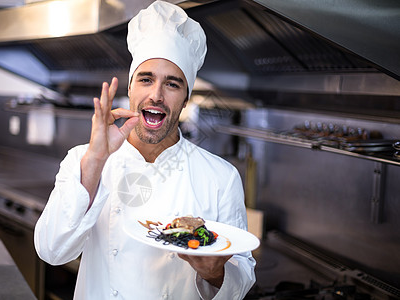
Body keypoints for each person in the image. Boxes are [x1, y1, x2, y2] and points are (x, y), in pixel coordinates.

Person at [34, 1, 256, 299]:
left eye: (173, 84)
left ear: (186, 98)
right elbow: (52, 251)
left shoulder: (221, 177)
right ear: (130, 89)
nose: (156, 95)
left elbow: (241, 281)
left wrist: (215, 274)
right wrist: (96, 159)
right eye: (146, 79)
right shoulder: (83, 160)